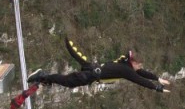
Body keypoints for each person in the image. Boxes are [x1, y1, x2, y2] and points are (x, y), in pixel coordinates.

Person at [27, 38, 171, 93]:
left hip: (93, 69)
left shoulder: (125, 66)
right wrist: (156, 88)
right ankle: (43, 76)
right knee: (68, 82)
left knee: (75, 54)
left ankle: (47, 78)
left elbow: (141, 73)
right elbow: (139, 79)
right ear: (133, 63)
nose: (140, 67)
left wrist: (157, 79)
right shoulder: (125, 70)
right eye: (139, 64)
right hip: (90, 75)